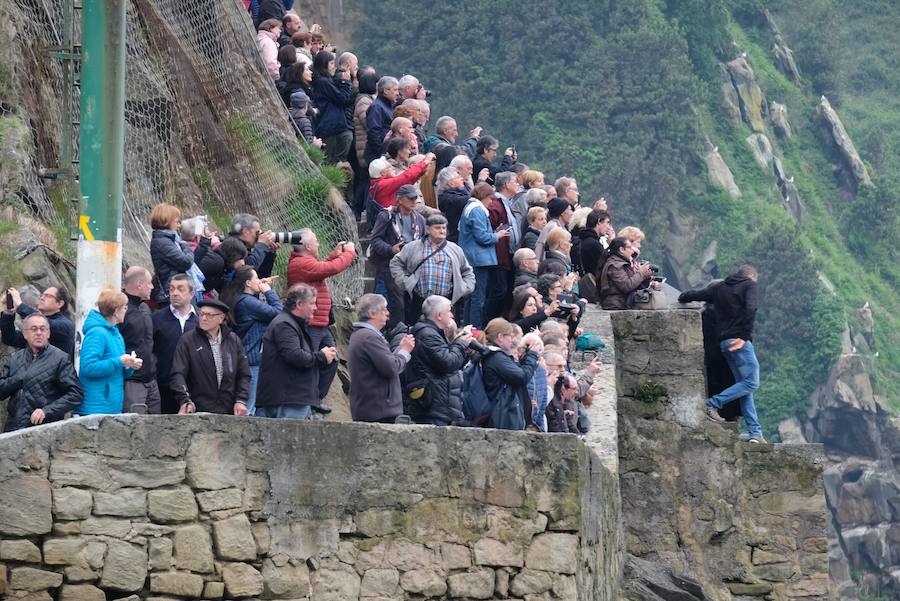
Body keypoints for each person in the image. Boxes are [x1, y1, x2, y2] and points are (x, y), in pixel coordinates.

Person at [679, 265, 765, 443]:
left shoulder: (720, 287)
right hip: (739, 342)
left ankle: (754, 432)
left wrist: (682, 296)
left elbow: (695, 295)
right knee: (751, 382)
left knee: (744, 386)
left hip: (724, 343)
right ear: (751, 277)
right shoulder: (750, 285)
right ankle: (712, 404)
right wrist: (743, 336)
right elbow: (751, 309)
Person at [287, 230, 356, 405]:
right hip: (311, 324)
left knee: (331, 361)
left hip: (320, 324)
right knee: (312, 363)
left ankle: (315, 400)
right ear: (308, 246)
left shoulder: (305, 263)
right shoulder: (301, 263)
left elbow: (322, 269)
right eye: (316, 241)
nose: (318, 244)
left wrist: (334, 255)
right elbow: (330, 269)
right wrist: (349, 253)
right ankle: (307, 402)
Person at [255, 284, 338, 419]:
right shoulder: (285, 325)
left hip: (292, 399)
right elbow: (295, 356)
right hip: (287, 400)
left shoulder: (292, 324)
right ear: (299, 304)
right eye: (312, 303)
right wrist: (321, 357)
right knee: (286, 440)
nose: (316, 308)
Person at [0, 313, 82, 432]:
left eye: (42, 329)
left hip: (44, 429)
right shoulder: (15, 358)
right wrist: (18, 379)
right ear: (24, 334)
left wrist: (46, 411)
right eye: (34, 329)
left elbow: (76, 394)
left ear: (48, 333)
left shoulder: (60, 358)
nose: (39, 333)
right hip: (14, 427)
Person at [390, 214, 476, 326]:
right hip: (419, 301)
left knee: (447, 334)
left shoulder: (455, 249)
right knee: (417, 332)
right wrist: (405, 282)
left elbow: (467, 271)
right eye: (437, 228)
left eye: (444, 228)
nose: (442, 231)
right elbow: (396, 263)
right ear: (428, 230)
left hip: (447, 302)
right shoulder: (413, 247)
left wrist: (465, 288)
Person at [170, 299, 250, 416]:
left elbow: (244, 374)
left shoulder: (233, 340)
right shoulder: (188, 340)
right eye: (201, 314)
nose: (203, 318)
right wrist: (185, 400)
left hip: (228, 410)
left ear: (221, 319)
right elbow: (177, 373)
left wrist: (241, 400)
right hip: (198, 409)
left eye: (209, 315)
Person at [220, 266, 283, 415]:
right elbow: (278, 312)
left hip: (248, 357)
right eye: (256, 279)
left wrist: (259, 287)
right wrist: (268, 291)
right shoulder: (247, 302)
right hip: (252, 360)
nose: (260, 281)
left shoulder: (243, 299)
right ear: (248, 283)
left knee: (253, 405)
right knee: (248, 407)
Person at [348, 293, 415, 423]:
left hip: (374, 409)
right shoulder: (369, 337)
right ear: (372, 313)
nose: (388, 313)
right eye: (384, 309)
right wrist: (405, 351)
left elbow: (386, 363)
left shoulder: (363, 336)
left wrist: (399, 350)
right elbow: (391, 368)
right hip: (378, 410)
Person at [405, 295, 471, 425]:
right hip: (433, 407)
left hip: (440, 405)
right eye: (449, 311)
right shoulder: (428, 334)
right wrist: (460, 344)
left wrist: (461, 346)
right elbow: (448, 363)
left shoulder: (434, 333)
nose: (452, 315)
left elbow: (452, 363)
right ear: (439, 315)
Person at [77, 289, 142, 416]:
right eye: (124, 307)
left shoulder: (115, 333)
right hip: (95, 407)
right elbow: (88, 367)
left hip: (112, 406)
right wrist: (119, 361)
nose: (126, 310)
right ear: (116, 311)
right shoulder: (97, 333)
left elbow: (118, 367)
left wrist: (129, 365)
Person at [369, 185, 426, 327]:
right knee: (393, 306)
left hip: (412, 268)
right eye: (410, 198)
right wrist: (390, 249)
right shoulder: (386, 216)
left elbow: (425, 240)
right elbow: (375, 240)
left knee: (410, 306)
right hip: (389, 267)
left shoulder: (419, 219)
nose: (414, 201)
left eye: (416, 198)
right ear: (400, 200)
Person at [458, 183, 507, 328]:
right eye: (490, 198)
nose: (491, 202)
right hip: (478, 260)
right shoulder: (478, 210)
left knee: (470, 296)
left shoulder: (469, 207)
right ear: (484, 196)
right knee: (477, 297)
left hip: (471, 257)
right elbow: (482, 237)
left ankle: (467, 326)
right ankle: (475, 329)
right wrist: (497, 235)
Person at [480, 319, 540, 430]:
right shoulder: (497, 357)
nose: (512, 340)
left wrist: (525, 357)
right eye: (510, 336)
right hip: (503, 415)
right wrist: (532, 356)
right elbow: (522, 377)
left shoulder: (495, 356)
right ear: (500, 336)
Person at [152, 274, 198, 414]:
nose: (175, 293)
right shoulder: (157, 318)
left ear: (191, 293)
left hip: (195, 387)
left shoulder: (201, 321)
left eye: (180, 289)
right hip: (164, 386)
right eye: (171, 289)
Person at [119, 267, 159, 414]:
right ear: (139, 284)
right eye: (149, 283)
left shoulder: (144, 308)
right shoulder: (120, 309)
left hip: (152, 380)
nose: (152, 287)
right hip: (132, 381)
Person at [2, 285, 75, 358]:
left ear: (60, 304)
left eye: (48, 296)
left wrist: (20, 305)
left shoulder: (66, 325)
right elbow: (10, 339)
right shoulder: (37, 323)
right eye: (42, 295)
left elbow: (47, 324)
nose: (42, 298)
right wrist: (8, 313)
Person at [149, 203, 199, 306]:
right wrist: (186, 247)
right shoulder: (162, 242)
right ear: (167, 221)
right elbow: (185, 262)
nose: (179, 225)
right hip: (172, 292)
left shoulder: (169, 240)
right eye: (177, 222)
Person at [310, 50, 354, 164]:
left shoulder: (322, 80)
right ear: (324, 65)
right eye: (331, 63)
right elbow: (342, 98)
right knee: (330, 160)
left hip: (329, 123)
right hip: (330, 125)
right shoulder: (323, 81)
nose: (333, 67)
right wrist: (344, 82)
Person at [366, 153, 434, 225]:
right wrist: (425, 162)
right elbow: (406, 177)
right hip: (389, 224)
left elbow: (407, 181)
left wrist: (421, 172)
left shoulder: (379, 184)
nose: (393, 168)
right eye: (389, 167)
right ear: (382, 173)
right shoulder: (383, 185)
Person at [598, 237, 652, 310]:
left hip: (624, 303)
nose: (632, 251)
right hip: (616, 305)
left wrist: (646, 276)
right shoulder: (615, 265)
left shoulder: (623, 263)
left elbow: (638, 287)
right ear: (621, 250)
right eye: (629, 247)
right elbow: (626, 286)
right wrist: (641, 273)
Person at [222, 213, 279, 278]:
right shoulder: (232, 245)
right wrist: (262, 245)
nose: (258, 237)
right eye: (257, 233)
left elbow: (260, 276)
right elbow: (248, 270)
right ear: (246, 232)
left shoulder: (246, 248)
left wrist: (269, 253)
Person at [364, 76, 399, 164]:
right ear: (386, 91)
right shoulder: (377, 107)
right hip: (376, 155)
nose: (397, 93)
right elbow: (373, 131)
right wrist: (381, 151)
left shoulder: (387, 106)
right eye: (395, 90)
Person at [438, 169, 470, 244]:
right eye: (458, 177)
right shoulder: (449, 199)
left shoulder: (461, 192)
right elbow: (469, 199)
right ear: (451, 183)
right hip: (457, 238)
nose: (462, 178)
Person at [580, 209, 614, 278]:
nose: (609, 227)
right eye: (607, 223)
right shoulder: (593, 244)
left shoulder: (587, 240)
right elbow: (609, 265)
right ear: (598, 222)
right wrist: (613, 243)